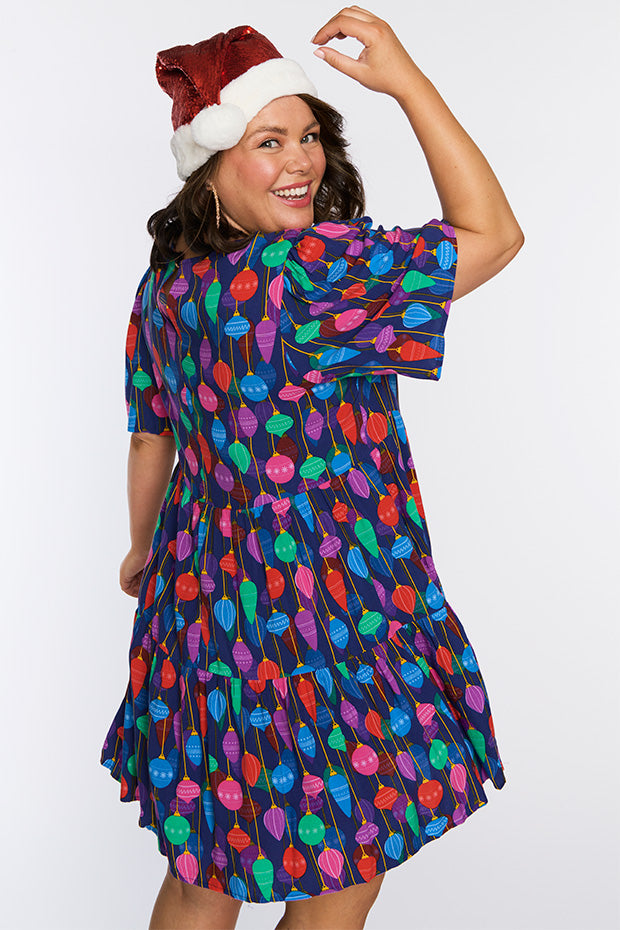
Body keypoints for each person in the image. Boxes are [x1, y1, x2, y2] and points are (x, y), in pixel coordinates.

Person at [99, 7, 524, 930]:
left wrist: (140, 549)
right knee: (345, 861)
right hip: (324, 617)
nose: (301, 161)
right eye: (267, 142)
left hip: (201, 609)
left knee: (206, 865)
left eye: (309, 136)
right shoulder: (311, 275)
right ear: (210, 168)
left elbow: (150, 436)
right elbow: (492, 234)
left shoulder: (167, 288)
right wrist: (405, 80)